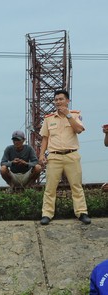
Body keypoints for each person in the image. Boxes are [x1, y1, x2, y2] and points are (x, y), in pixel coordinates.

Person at [38, 90, 90, 225]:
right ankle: (47, 214)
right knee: (50, 187)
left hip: (71, 155)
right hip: (54, 156)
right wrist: (42, 154)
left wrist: (68, 115)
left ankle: (82, 213)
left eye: (61, 99)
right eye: (56, 100)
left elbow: (79, 130)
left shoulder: (75, 115)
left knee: (76, 186)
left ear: (67, 101)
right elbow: (45, 138)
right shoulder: (49, 118)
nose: (58, 102)